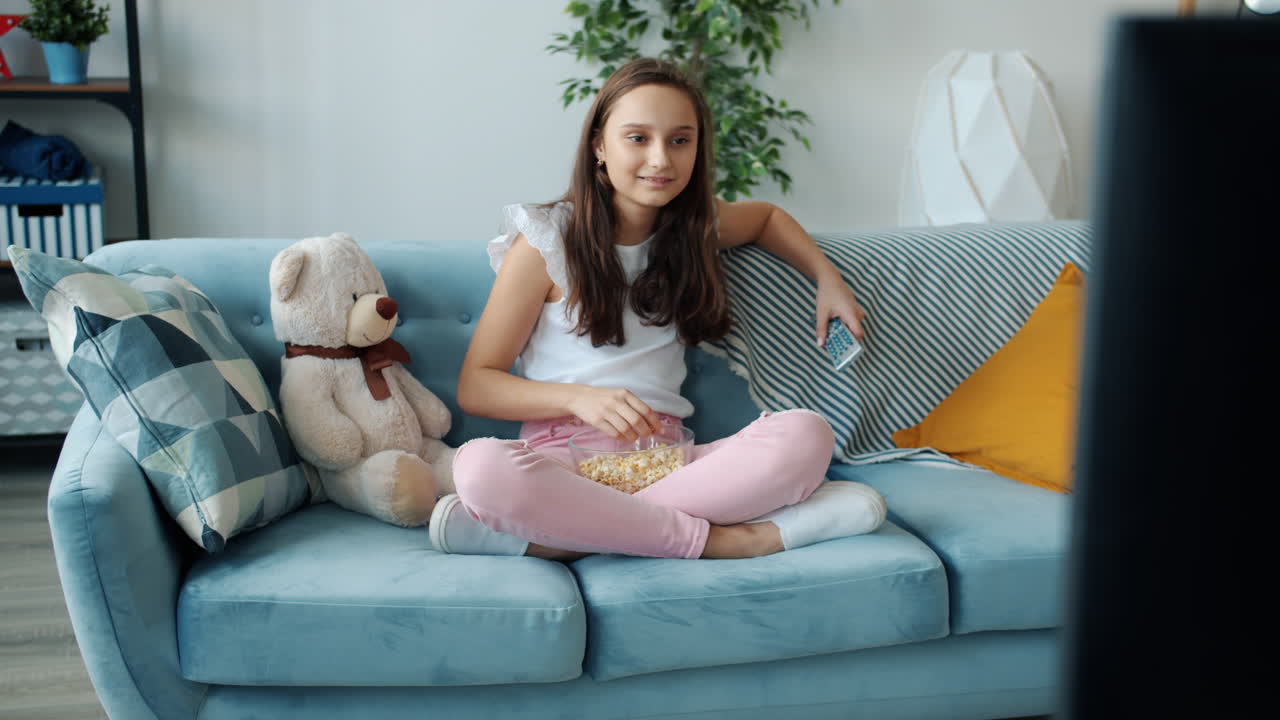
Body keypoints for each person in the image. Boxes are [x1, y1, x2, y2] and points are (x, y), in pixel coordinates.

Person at [429, 57, 886, 561]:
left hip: (667, 461)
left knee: (806, 434)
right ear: (599, 145)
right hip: (564, 465)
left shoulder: (694, 227)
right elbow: (478, 384)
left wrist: (828, 280)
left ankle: (561, 541)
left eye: (680, 140)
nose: (661, 160)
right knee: (481, 468)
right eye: (637, 138)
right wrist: (579, 399)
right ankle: (728, 540)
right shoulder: (546, 241)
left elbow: (766, 219)